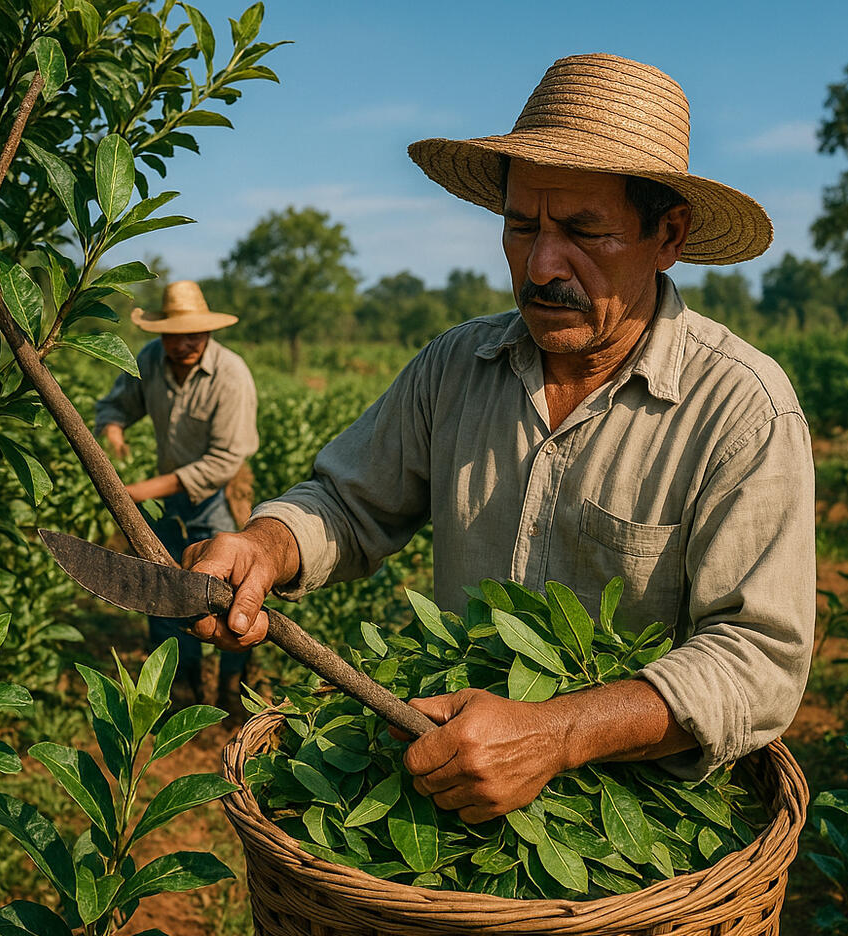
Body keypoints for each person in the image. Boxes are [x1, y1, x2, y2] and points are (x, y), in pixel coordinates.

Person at [185, 54, 815, 823]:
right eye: (522, 226)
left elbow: (757, 659)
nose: (542, 264)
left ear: (668, 235)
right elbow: (347, 502)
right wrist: (264, 545)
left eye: (585, 230)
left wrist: (558, 733)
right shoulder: (456, 366)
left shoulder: (738, 409)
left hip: (634, 817)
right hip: (444, 775)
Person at [95, 279, 259, 710]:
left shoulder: (231, 375)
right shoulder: (150, 361)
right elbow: (115, 404)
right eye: (175, 334)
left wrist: (133, 491)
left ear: (208, 332)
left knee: (233, 591)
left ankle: (235, 690)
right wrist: (113, 429)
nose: (185, 342)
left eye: (195, 333)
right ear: (161, 335)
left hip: (223, 490)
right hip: (168, 492)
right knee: (164, 589)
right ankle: (182, 688)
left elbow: (223, 461)